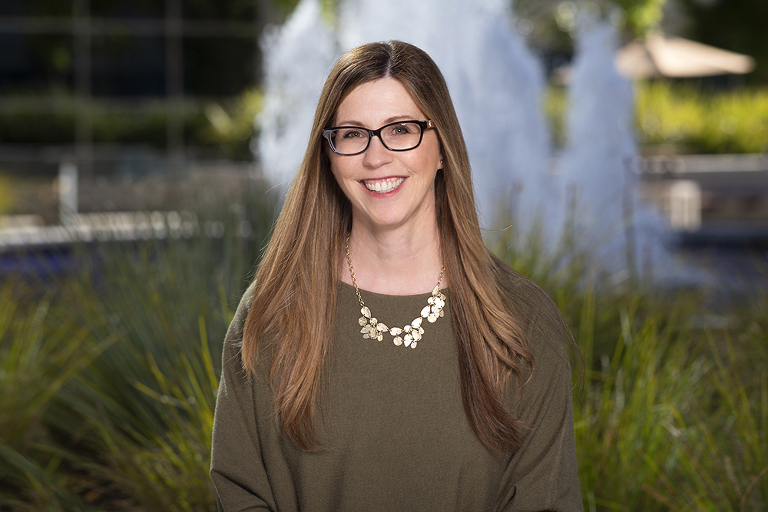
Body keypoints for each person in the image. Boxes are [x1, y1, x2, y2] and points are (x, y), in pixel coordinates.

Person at [210, 40, 583, 511]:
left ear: (443, 147)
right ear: (329, 155)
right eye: (352, 134)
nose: (376, 156)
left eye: (401, 129)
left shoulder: (521, 322)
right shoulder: (272, 312)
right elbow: (241, 491)